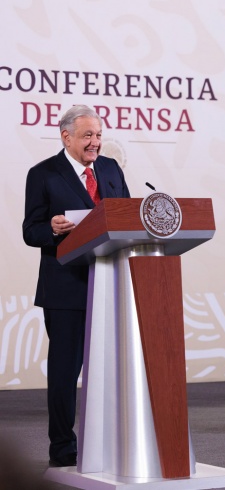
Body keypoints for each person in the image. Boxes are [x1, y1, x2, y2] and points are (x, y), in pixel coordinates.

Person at [23, 105, 131, 467]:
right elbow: (30, 231)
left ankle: (112, 441)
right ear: (66, 136)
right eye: (88, 136)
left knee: (112, 368)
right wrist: (51, 229)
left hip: (110, 283)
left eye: (99, 135)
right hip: (66, 288)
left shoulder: (111, 169)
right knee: (65, 372)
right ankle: (62, 447)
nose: (95, 142)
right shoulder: (43, 175)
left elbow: (127, 216)